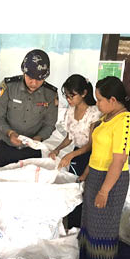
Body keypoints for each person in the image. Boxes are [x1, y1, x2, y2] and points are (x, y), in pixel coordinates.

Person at [77, 76, 130, 259]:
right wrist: (85, 173)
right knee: (89, 220)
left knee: (104, 225)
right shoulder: (107, 117)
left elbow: (118, 161)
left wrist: (104, 191)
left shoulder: (125, 121)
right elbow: (97, 150)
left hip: (112, 179)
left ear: (113, 100)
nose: (97, 104)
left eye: (100, 100)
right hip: (96, 174)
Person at [48, 74, 101, 229]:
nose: (69, 100)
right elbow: (70, 137)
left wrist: (70, 155)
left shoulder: (94, 113)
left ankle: (82, 229)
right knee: (73, 191)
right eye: (67, 96)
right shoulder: (70, 112)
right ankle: (72, 227)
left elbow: (91, 145)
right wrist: (57, 150)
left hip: (90, 156)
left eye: (72, 96)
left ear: (84, 93)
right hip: (78, 155)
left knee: (86, 194)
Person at [0, 49, 58, 169]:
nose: (34, 83)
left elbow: (49, 124)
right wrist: (10, 133)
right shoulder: (8, 87)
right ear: (24, 72)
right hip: (6, 147)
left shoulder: (50, 94)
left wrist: (38, 138)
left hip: (31, 151)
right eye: (30, 77)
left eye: (39, 79)